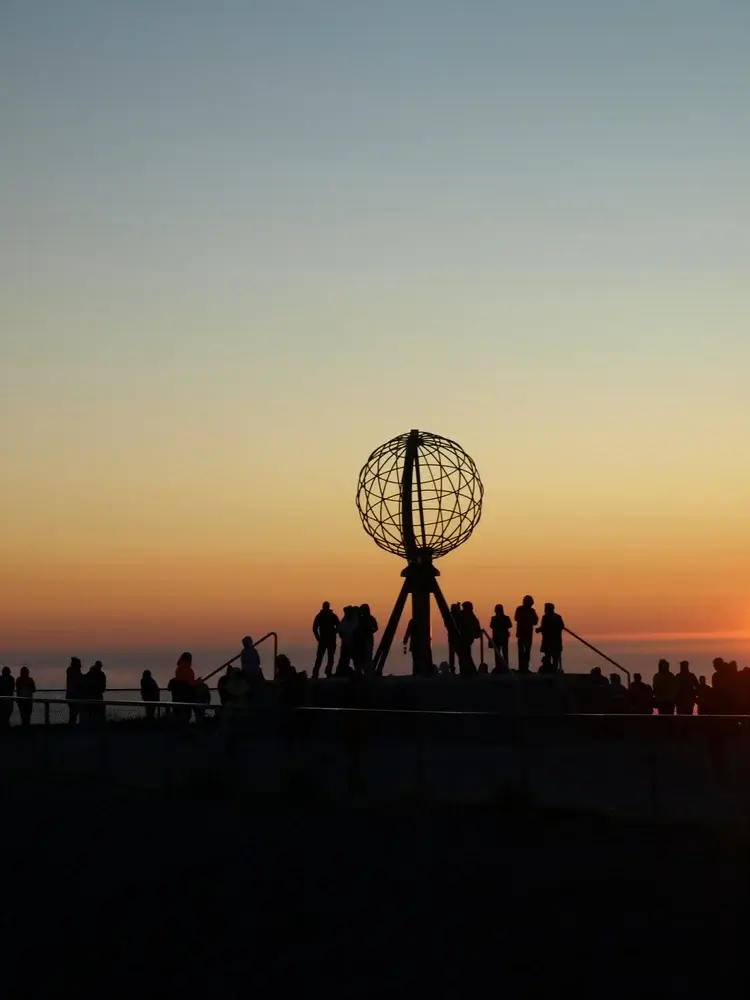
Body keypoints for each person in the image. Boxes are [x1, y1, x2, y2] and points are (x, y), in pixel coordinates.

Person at [312, 602, 339, 678]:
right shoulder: (320, 616)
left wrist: (334, 632)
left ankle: (327, 672)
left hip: (330, 640)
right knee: (320, 657)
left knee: (329, 657)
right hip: (323, 640)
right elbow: (314, 628)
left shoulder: (332, 616)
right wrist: (318, 638)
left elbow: (339, 626)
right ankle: (316, 673)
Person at [536, 603, 565, 672]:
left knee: (551, 657)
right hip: (554, 642)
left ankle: (550, 670)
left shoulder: (546, 617)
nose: (545, 610)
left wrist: (539, 629)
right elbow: (561, 626)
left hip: (550, 642)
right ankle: (551, 670)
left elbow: (545, 627)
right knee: (553, 657)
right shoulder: (557, 617)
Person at [514, 596, 538, 673]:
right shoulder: (520, 609)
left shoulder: (531, 610)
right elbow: (516, 618)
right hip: (523, 633)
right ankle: (522, 668)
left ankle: (524, 668)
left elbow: (535, 621)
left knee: (526, 651)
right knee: (523, 651)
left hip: (527, 634)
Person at [352, 604, 378, 674]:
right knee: (361, 656)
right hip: (361, 640)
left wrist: (369, 631)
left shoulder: (370, 618)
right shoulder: (360, 618)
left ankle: (367, 671)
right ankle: (361, 671)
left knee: (367, 656)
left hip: (367, 639)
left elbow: (375, 628)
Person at [458, 602, 481, 675]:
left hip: (465, 638)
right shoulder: (470, 616)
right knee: (465, 654)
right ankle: (468, 671)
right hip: (467, 638)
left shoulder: (466, 615)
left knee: (464, 655)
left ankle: (467, 671)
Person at [336, 607, 359, 676]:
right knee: (344, 657)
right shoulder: (346, 619)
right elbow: (340, 628)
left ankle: (357, 672)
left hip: (352, 642)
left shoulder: (355, 619)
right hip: (345, 642)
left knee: (354, 658)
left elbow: (352, 629)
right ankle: (342, 671)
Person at [489, 604, 511, 672]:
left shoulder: (496, 618)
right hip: (500, 638)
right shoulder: (504, 618)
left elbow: (491, 626)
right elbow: (509, 625)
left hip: (500, 638)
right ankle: (502, 667)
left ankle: (502, 667)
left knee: (500, 653)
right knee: (501, 653)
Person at [65, 656, 84, 725]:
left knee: (73, 714)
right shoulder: (75, 673)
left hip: (71, 696)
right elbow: (80, 682)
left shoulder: (71, 672)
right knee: (74, 714)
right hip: (75, 696)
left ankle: (71, 727)